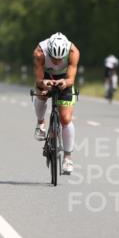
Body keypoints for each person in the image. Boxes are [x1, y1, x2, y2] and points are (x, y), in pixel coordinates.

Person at [33, 32, 79, 174]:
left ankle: (67, 158)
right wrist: (44, 84)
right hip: (46, 75)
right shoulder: (39, 52)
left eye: (60, 59)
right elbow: (39, 79)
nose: (57, 62)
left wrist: (64, 82)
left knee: (65, 118)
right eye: (54, 58)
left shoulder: (73, 52)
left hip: (64, 78)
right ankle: (40, 123)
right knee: (41, 93)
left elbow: (71, 78)